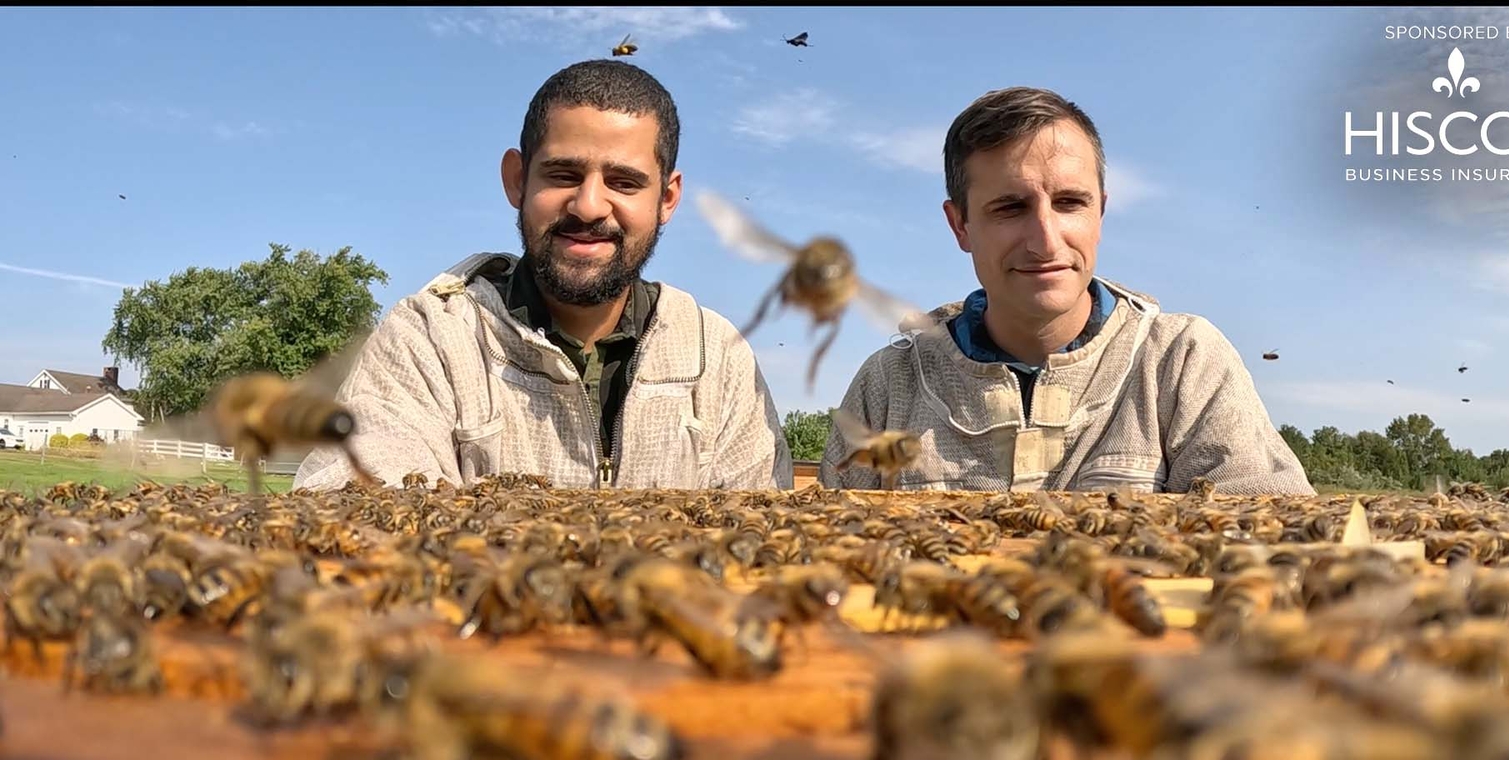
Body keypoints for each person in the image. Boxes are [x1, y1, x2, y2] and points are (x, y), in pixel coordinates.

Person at [295, 60, 792, 491]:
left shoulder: (717, 358)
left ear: (667, 198)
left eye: (623, 182)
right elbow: (354, 498)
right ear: (517, 179)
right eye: (563, 175)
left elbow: (769, 555)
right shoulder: (430, 339)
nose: (590, 205)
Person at [820, 87, 1313, 496]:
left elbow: (1273, 549)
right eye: (1010, 208)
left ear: (1100, 211)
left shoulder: (1180, 362)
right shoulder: (891, 384)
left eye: (1069, 202)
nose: (1045, 241)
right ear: (960, 225)